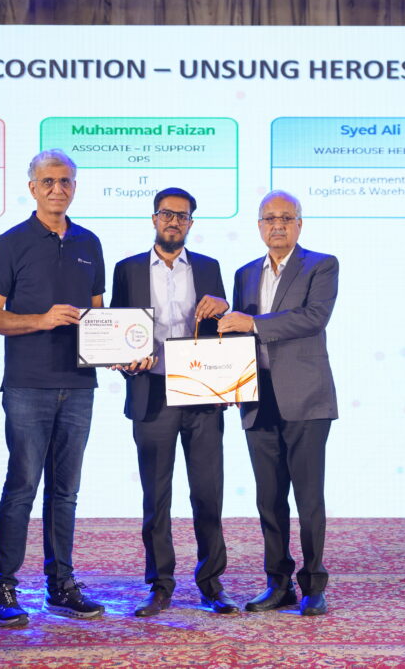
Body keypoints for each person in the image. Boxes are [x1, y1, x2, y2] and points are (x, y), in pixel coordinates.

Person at [0, 149, 106, 627]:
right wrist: (41, 319)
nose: (57, 189)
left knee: (66, 492)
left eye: (65, 181)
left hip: (79, 385)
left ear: (75, 186)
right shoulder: (12, 242)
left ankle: (61, 585)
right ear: (32, 187)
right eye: (48, 181)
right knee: (22, 487)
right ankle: (2, 587)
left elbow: (98, 316)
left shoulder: (90, 242)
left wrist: (119, 349)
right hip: (27, 385)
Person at [110, 187, 237, 617]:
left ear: (190, 224)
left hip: (202, 394)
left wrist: (224, 306)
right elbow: (117, 329)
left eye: (182, 216)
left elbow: (224, 330)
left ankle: (211, 584)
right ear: (154, 219)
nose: (174, 221)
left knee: (208, 493)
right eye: (167, 214)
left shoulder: (209, 267)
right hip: (152, 393)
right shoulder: (127, 269)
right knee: (156, 497)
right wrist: (125, 362)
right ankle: (160, 585)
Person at [217, 190, 338, 617]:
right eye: (270, 219)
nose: (278, 225)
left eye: (286, 218)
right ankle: (278, 583)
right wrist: (228, 383)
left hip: (306, 398)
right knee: (269, 499)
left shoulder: (321, 265)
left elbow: (313, 318)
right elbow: (236, 336)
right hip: (257, 397)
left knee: (308, 498)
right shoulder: (245, 273)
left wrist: (252, 322)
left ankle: (314, 585)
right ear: (259, 226)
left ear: (299, 224)